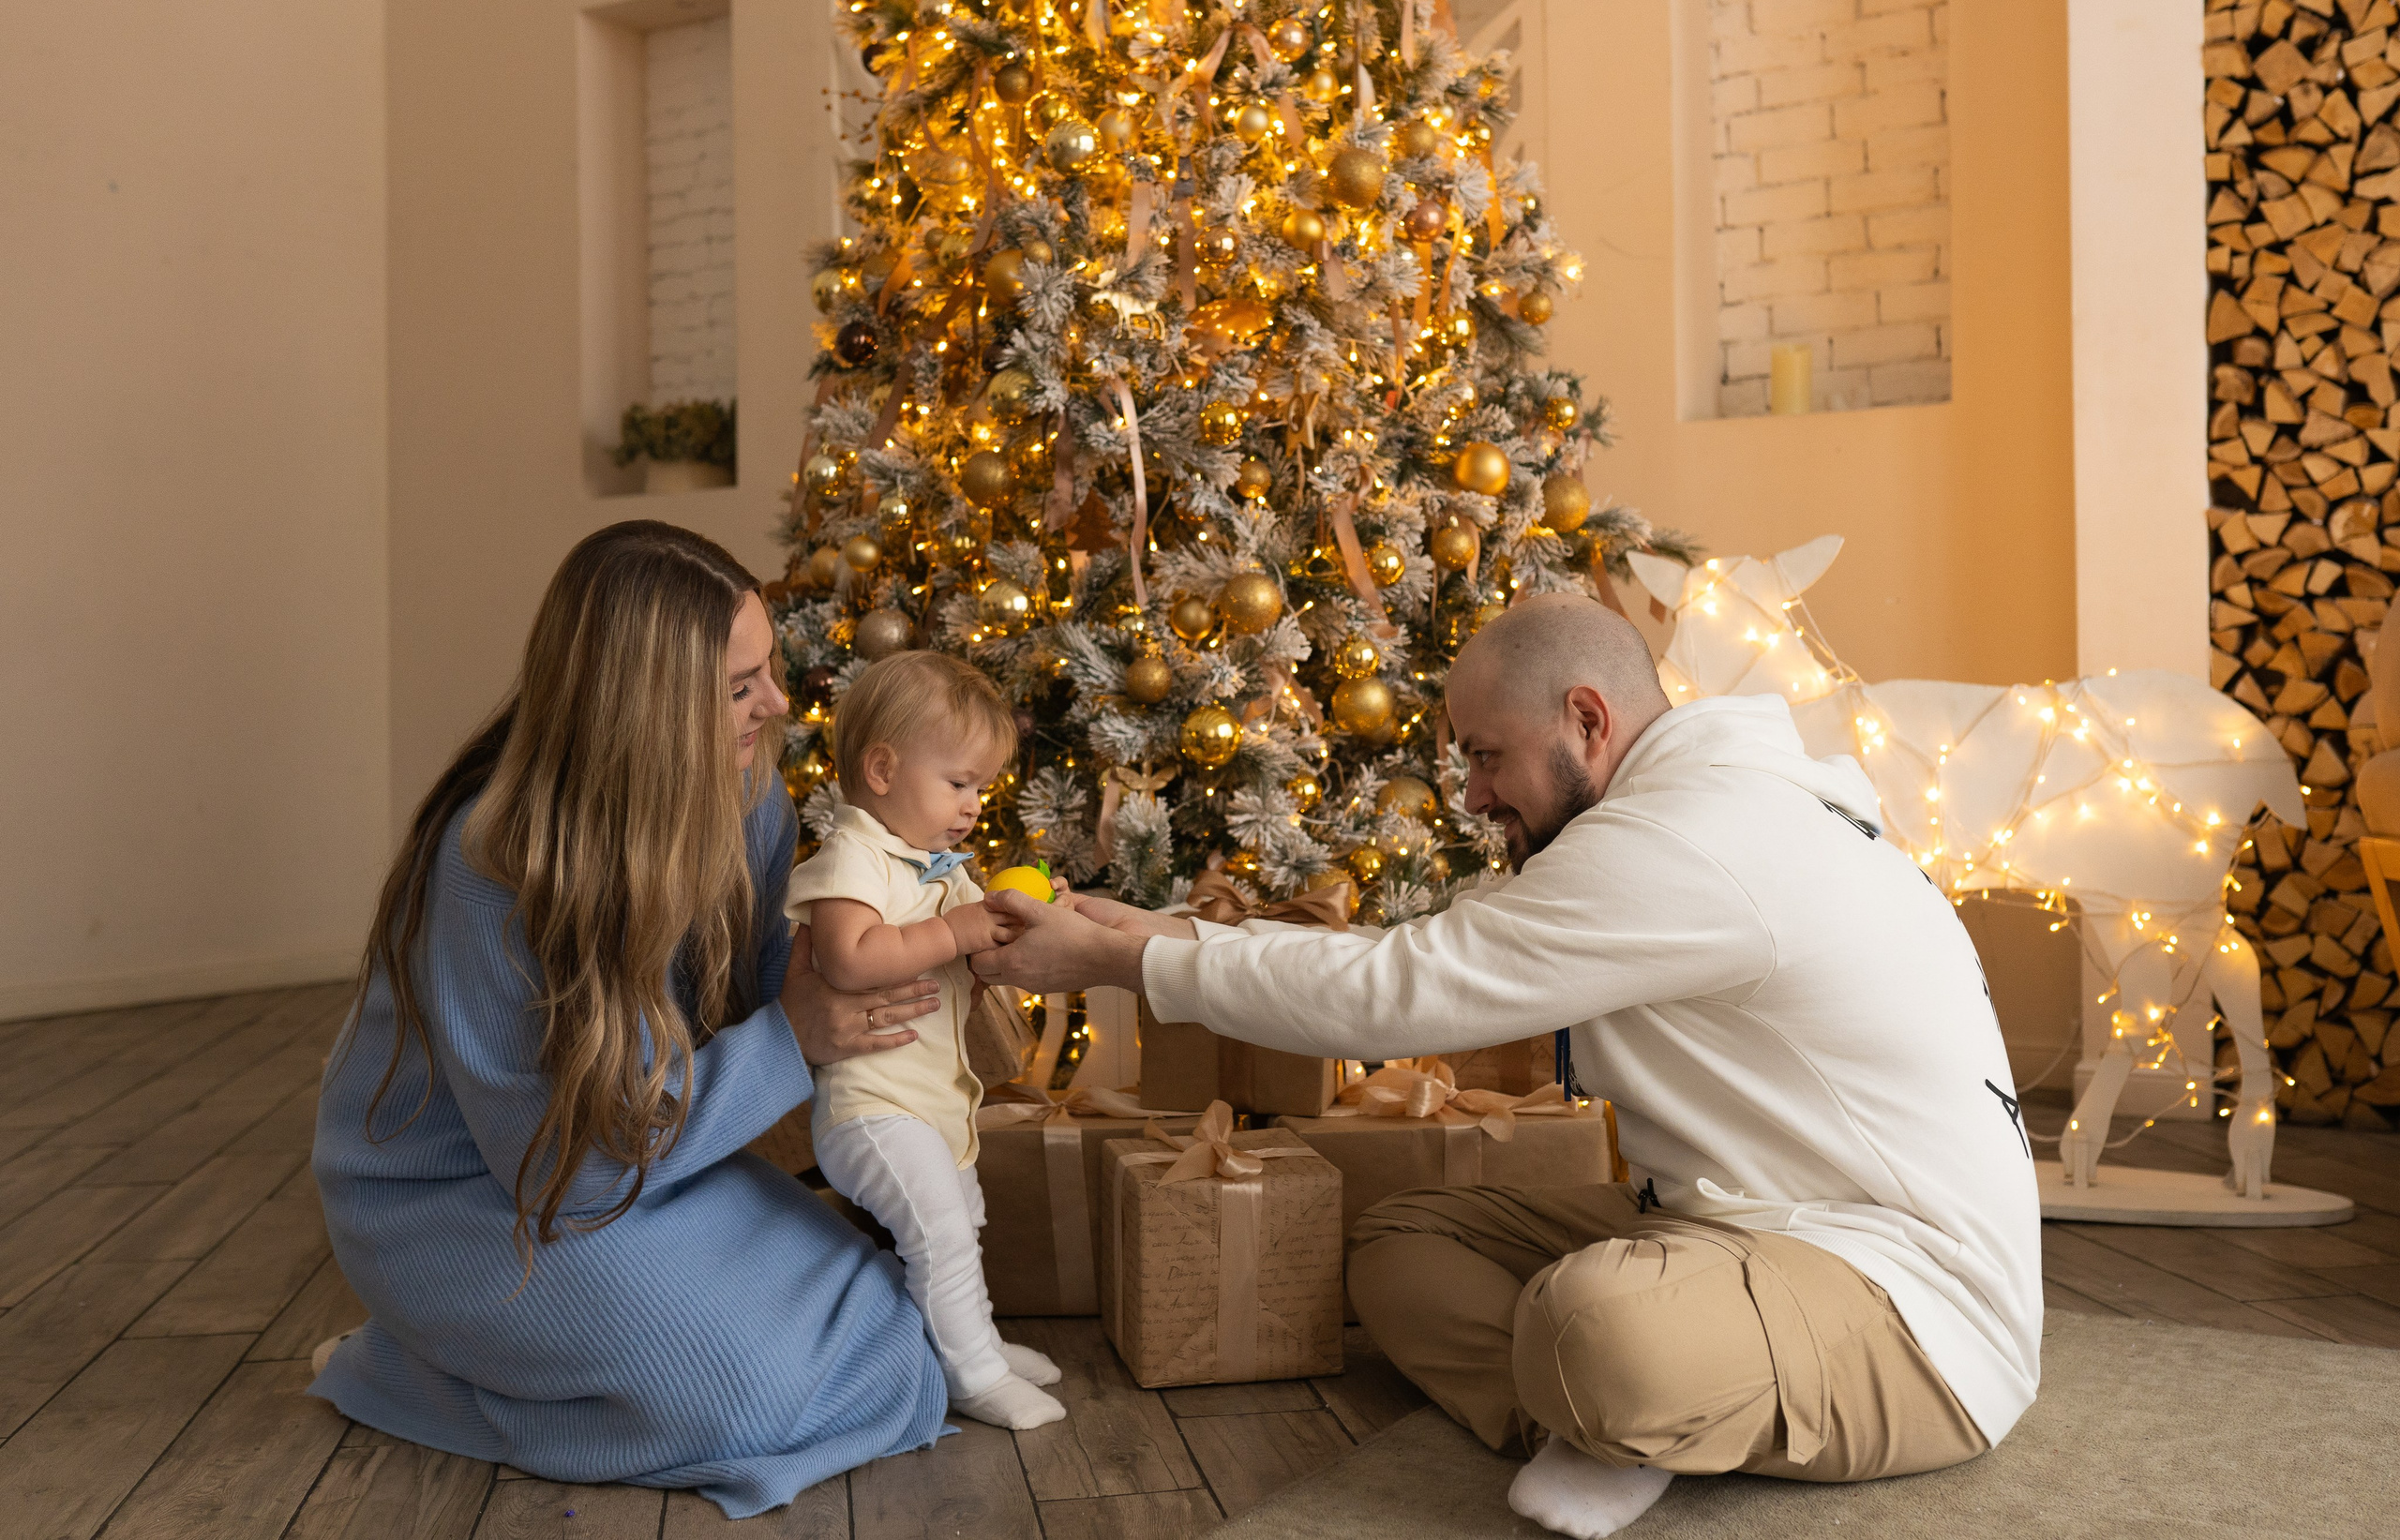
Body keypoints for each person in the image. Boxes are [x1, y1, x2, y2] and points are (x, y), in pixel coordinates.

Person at [968, 592, 2041, 1539]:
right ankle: (1611, 1424)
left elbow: (1399, 995)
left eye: (1485, 755)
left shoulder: (1696, 841)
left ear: (1586, 717)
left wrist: (1121, 963)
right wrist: (1141, 929)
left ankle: (1623, 1404)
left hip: (1909, 1304)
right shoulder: (1662, 822)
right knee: (1400, 1244)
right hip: (1725, 1226)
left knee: (1592, 1328)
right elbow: (1403, 954)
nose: (1472, 795)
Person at [311, 521, 952, 1520]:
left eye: (770, 667)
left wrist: (897, 943)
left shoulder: (746, 787)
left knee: (888, 1314)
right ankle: (410, 1366)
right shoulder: (495, 866)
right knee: (749, 1396)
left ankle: (531, 1360)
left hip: (642, 1154)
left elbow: (776, 973)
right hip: (486, 1197)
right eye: (741, 687)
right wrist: (791, 1038)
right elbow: (563, 1167)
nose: (779, 703)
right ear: (646, 708)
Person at [785, 650, 1068, 1430]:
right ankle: (971, 1373)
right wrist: (953, 926)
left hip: (933, 1104)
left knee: (963, 1221)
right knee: (939, 1227)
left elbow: (980, 945)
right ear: (882, 767)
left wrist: (1030, 911)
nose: (975, 803)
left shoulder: (937, 868)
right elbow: (848, 956)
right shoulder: (855, 857)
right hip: (871, 1108)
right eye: (959, 782)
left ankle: (975, 1340)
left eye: (982, 786)